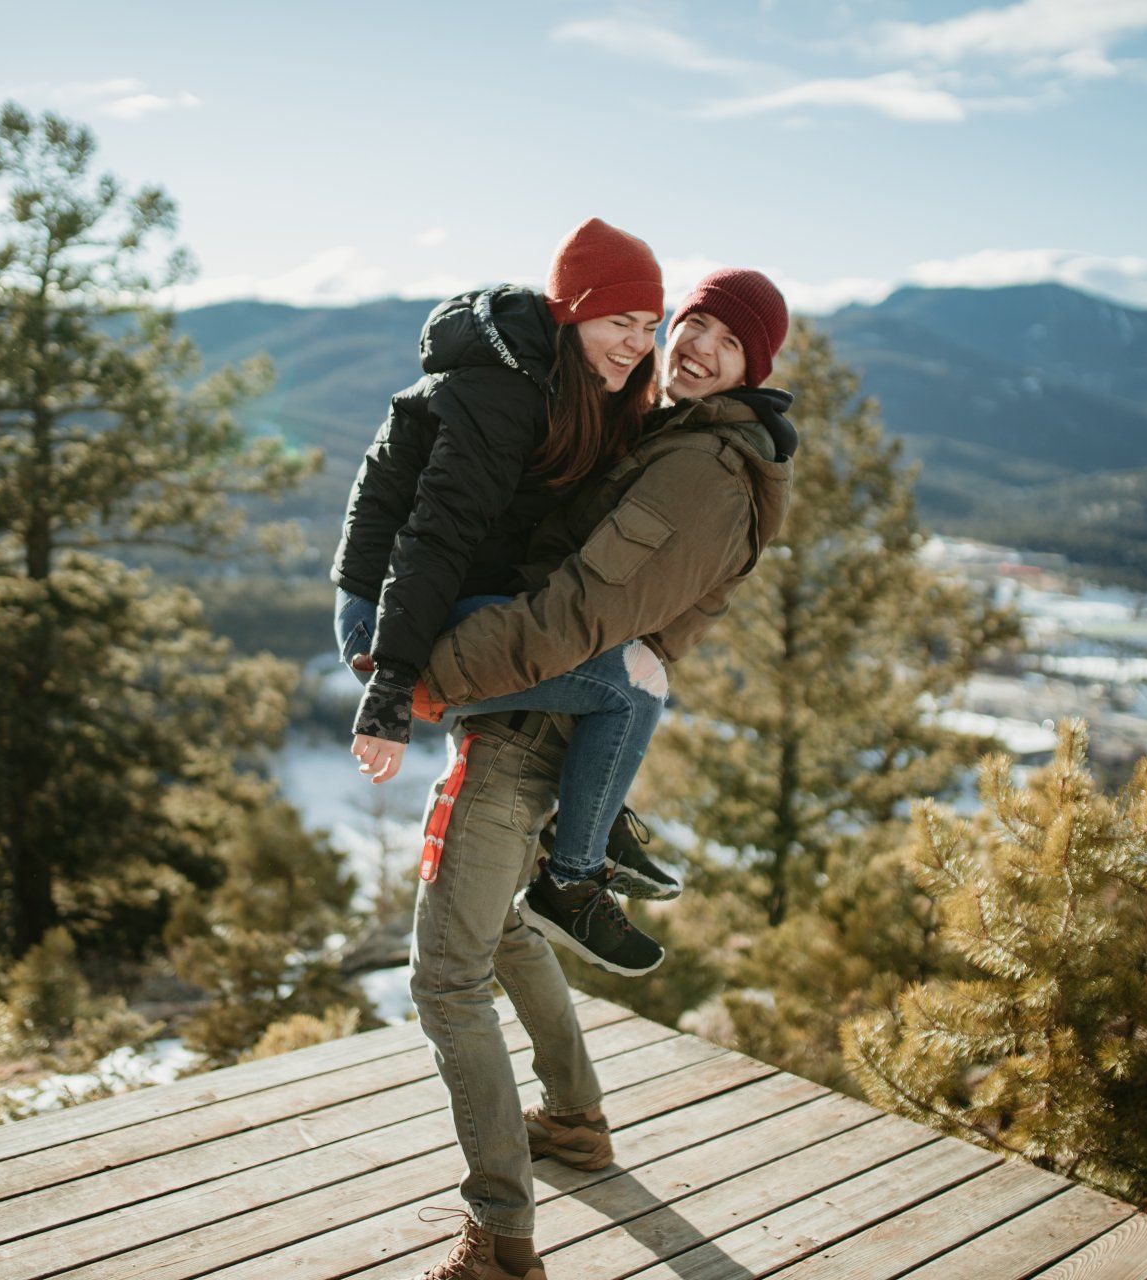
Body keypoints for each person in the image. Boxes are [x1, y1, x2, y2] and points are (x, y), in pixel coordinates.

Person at [406, 269, 795, 1280]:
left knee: (447, 973)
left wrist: (424, 678)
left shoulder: (704, 468)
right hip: (539, 704)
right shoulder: (676, 435)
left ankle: (500, 1239)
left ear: (759, 369)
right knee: (496, 928)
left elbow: (575, 617)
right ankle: (574, 1118)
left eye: (727, 340)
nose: (696, 345)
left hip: (530, 712)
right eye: (693, 322)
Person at [332, 217, 670, 974]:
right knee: (629, 690)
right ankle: (574, 880)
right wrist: (390, 687)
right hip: (384, 610)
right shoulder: (501, 390)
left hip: (456, 600)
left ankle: (596, 819)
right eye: (619, 321)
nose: (636, 341)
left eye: (650, 325)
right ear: (570, 311)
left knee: (620, 671)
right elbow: (435, 540)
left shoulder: (583, 384)